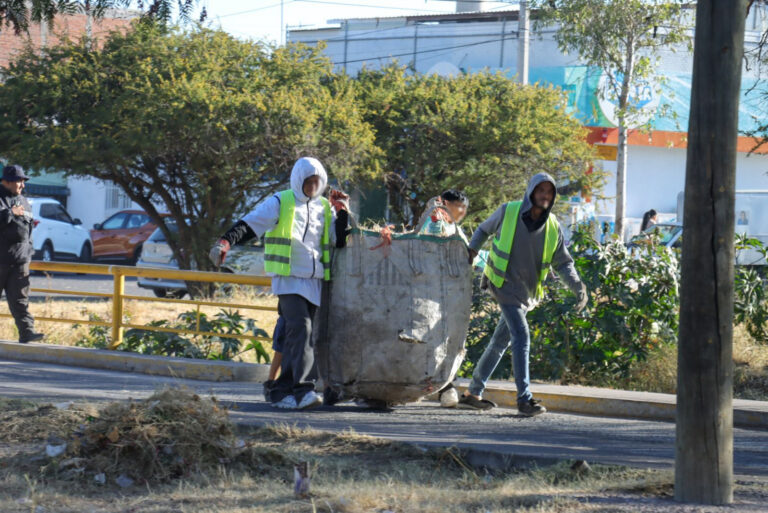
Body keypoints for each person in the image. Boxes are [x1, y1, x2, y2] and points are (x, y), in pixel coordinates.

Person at [210, 157, 349, 410]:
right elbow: (250, 224)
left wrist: (342, 213)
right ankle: (305, 389)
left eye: (317, 182)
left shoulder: (325, 209)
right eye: (308, 182)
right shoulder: (281, 201)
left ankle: (280, 390)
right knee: (303, 329)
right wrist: (225, 243)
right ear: (298, 180)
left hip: (314, 282)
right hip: (287, 280)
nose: (313, 186)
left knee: (296, 336)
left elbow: (338, 241)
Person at [461, 173, 587, 416]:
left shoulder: (553, 228)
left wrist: (578, 286)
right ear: (531, 192)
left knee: (500, 341)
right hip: (502, 283)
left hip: (526, 293)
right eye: (541, 191)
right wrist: (472, 250)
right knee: (522, 335)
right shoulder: (509, 211)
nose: (545, 196)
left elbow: (563, 263)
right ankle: (524, 399)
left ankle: (473, 392)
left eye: (549, 192)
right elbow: (483, 229)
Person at [0, 165, 44, 344]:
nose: (22, 185)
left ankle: (27, 332)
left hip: (20, 261)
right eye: (19, 181)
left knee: (20, 300)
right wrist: (10, 213)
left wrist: (29, 253)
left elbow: (29, 230)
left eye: (23, 181)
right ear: (7, 181)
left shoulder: (24, 201)